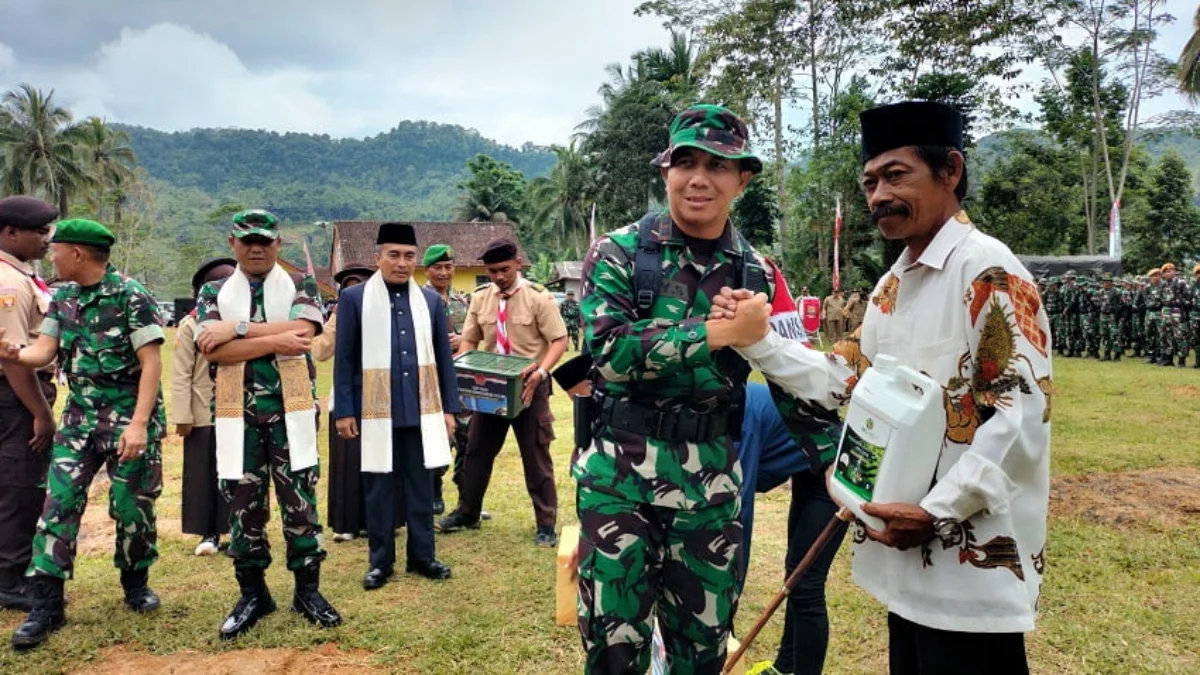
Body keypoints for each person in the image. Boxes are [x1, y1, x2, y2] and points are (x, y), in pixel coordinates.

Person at [716, 101, 1051, 675]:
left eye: (896, 176)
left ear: (949, 170)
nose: (878, 197)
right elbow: (844, 378)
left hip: (970, 566)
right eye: (870, 182)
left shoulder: (988, 273)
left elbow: (1017, 421)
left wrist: (936, 511)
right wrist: (756, 341)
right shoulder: (893, 286)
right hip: (905, 556)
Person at [573, 104, 827, 673]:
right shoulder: (616, 253)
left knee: (703, 652)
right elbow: (609, 354)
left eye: (718, 165)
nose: (699, 179)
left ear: (744, 179)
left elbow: (790, 378)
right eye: (685, 162)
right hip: (620, 481)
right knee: (614, 651)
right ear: (665, 171)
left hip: (711, 490)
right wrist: (717, 334)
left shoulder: (758, 273)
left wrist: (836, 467)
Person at [0, 219, 167, 650]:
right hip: (80, 420)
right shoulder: (64, 297)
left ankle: (135, 583)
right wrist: (14, 352)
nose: (50, 255)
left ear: (77, 253)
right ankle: (47, 606)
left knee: (133, 507)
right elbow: (43, 351)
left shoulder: (132, 296)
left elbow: (151, 363)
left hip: (128, 415)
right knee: (57, 507)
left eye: (56, 249)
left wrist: (139, 425)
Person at [194, 209, 340, 639]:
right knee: (242, 505)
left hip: (289, 412)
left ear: (278, 244)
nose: (256, 248)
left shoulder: (301, 285)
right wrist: (274, 340)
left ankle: (307, 592)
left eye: (264, 240)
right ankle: (253, 594)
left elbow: (302, 333)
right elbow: (213, 352)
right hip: (237, 414)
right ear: (232, 244)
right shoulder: (213, 291)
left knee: (300, 502)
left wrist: (236, 331)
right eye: (247, 241)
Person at [334, 222, 459, 588]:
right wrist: (344, 409)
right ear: (378, 257)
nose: (401, 263)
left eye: (408, 256)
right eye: (393, 255)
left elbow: (444, 360)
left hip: (421, 409)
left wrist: (450, 409)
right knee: (379, 488)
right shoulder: (355, 299)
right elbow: (344, 358)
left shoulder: (431, 301)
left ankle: (423, 556)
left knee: (421, 486)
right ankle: (380, 562)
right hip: (375, 410)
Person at [436, 238, 568, 548]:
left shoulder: (539, 298)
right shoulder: (481, 298)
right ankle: (468, 513)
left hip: (528, 388)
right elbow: (469, 340)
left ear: (518, 264)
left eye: (504, 270)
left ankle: (546, 524)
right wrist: (466, 369)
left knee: (536, 456)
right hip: (489, 387)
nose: (498, 277)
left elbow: (559, 339)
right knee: (476, 452)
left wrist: (540, 372)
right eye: (492, 271)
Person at [0, 197, 58, 612]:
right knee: (19, 484)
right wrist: (41, 412)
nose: (45, 238)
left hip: (17, 393)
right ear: (10, 234)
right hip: (16, 396)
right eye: (38, 231)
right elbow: (13, 360)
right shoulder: (9, 284)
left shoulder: (22, 275)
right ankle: (10, 577)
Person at [172, 257, 236, 556]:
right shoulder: (191, 324)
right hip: (203, 414)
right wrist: (182, 416)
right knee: (203, 475)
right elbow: (181, 373)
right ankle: (208, 534)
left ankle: (238, 530)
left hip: (240, 409)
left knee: (237, 474)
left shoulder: (242, 321)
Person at [311, 264, 375, 542]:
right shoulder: (338, 317)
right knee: (347, 460)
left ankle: (382, 520)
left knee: (380, 459)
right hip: (347, 396)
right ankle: (347, 522)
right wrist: (338, 320)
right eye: (347, 292)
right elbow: (320, 351)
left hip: (381, 395)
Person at [421, 244, 472, 515]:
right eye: (437, 268)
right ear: (427, 270)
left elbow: (477, 336)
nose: (443, 272)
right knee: (437, 437)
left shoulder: (463, 302)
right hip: (432, 382)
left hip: (463, 381)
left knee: (468, 439)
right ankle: (433, 492)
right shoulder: (417, 300)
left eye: (448, 267)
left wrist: (462, 339)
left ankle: (468, 499)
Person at [1159, 263, 1192, 367]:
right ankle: (1168, 359)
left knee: (1180, 336)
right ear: (1163, 274)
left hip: (1177, 311)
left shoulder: (1181, 283)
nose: (1168, 273)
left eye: (1170, 271)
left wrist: (1180, 303)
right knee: (1166, 335)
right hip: (1166, 311)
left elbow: (1189, 299)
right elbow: (1161, 298)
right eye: (1166, 272)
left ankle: (1181, 361)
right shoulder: (1163, 284)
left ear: (1174, 272)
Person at [1096, 274, 1124, 362]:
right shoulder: (1100, 292)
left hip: (1112, 315)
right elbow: (1097, 303)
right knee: (1104, 335)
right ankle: (1106, 354)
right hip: (1103, 315)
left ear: (1111, 282)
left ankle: (1117, 355)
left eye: (1108, 281)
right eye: (1104, 281)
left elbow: (1123, 304)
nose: (1106, 283)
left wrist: (1119, 314)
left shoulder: (1117, 291)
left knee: (1114, 335)